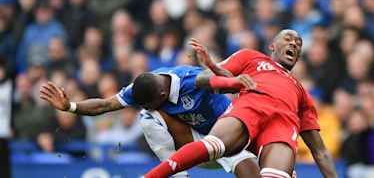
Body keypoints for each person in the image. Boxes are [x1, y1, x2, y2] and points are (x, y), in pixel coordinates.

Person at [144, 29, 337, 178]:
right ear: (272, 45)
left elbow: (319, 150)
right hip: (251, 107)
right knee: (212, 146)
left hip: (283, 125)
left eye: (299, 43)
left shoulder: (302, 93)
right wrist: (214, 68)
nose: (294, 43)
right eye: (288, 38)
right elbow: (203, 80)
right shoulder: (251, 58)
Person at [39, 65, 260, 177]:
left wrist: (232, 81)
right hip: (194, 145)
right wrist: (71, 107)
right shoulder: (142, 89)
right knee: (147, 117)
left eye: (150, 103)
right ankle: (178, 175)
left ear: (163, 95)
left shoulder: (190, 80)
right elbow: (105, 105)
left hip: (229, 140)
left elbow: (208, 79)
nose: (147, 107)